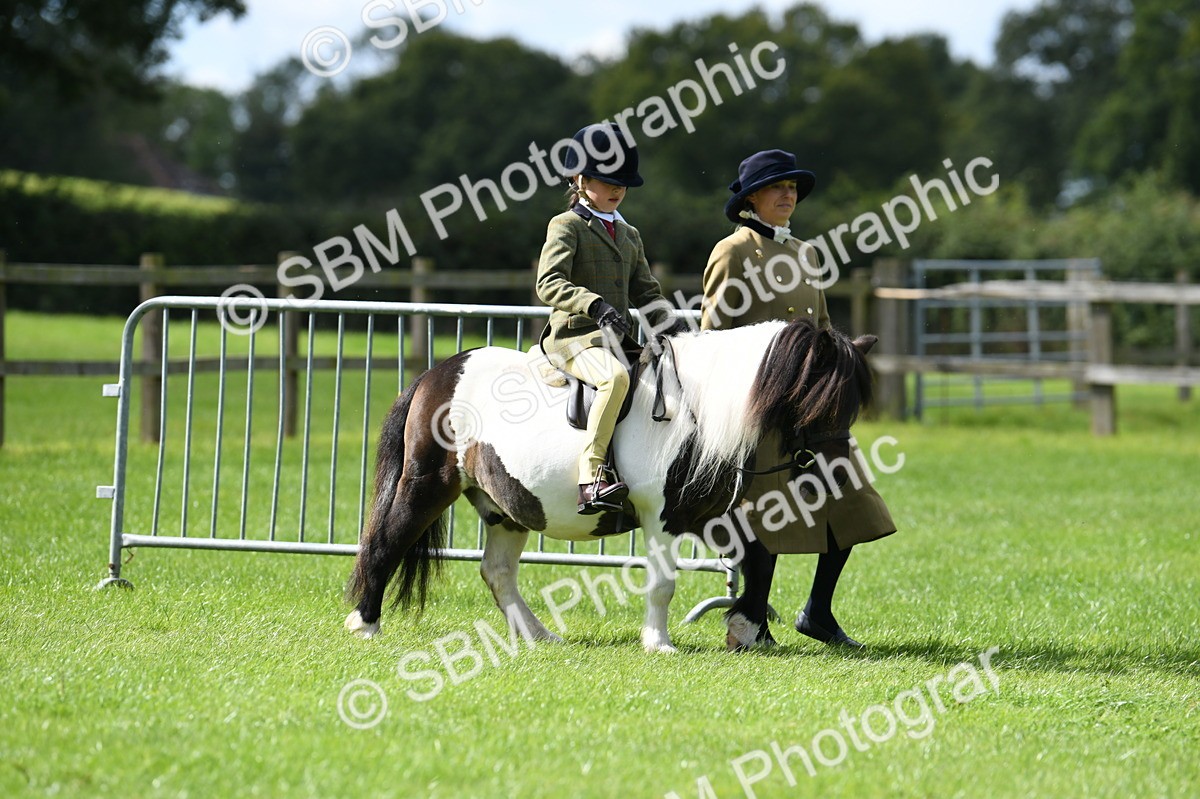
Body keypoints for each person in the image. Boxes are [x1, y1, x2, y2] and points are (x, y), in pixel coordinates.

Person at [701, 149, 896, 647]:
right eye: (777, 186)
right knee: (765, 516)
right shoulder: (733, 251)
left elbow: (823, 328)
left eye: (793, 187)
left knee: (851, 504)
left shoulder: (807, 253)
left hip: (811, 411)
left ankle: (818, 613)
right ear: (751, 198)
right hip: (760, 409)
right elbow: (713, 337)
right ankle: (750, 623)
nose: (788, 194)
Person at [536, 123, 682, 515]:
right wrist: (594, 305)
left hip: (617, 340)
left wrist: (674, 327)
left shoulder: (629, 234)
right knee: (614, 378)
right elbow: (548, 283)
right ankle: (591, 476)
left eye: (623, 184)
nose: (617, 190)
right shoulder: (566, 225)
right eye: (608, 182)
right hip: (574, 339)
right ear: (580, 180)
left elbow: (646, 292)